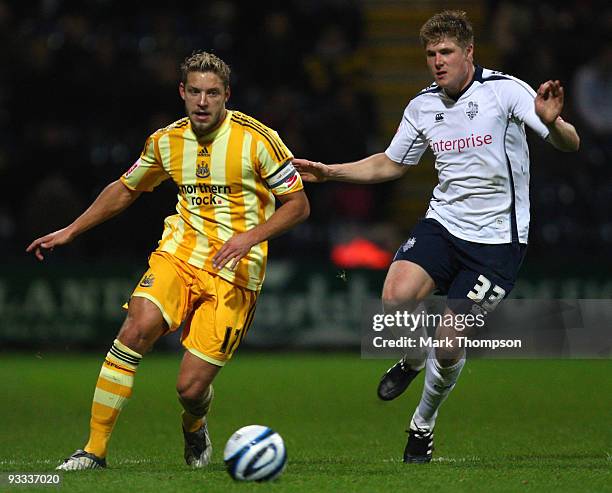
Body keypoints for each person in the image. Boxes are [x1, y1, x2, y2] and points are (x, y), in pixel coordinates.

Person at [294, 10, 579, 463]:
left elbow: (569, 142)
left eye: (446, 52)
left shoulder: (505, 91)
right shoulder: (422, 105)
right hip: (444, 225)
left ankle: (422, 424)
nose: (437, 62)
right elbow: (391, 163)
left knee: (449, 344)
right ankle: (410, 360)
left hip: (497, 242)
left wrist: (555, 123)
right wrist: (330, 172)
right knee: (394, 298)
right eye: (431, 54)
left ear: (469, 52)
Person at [27, 51, 309, 470]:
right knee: (136, 326)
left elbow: (298, 205)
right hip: (178, 255)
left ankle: (195, 425)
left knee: (190, 388)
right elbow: (126, 188)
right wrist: (71, 230)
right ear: (182, 91)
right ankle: (94, 450)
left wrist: (250, 237)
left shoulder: (258, 139)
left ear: (226, 95)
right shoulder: (165, 141)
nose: (202, 102)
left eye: (212, 93)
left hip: (236, 272)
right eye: (194, 91)